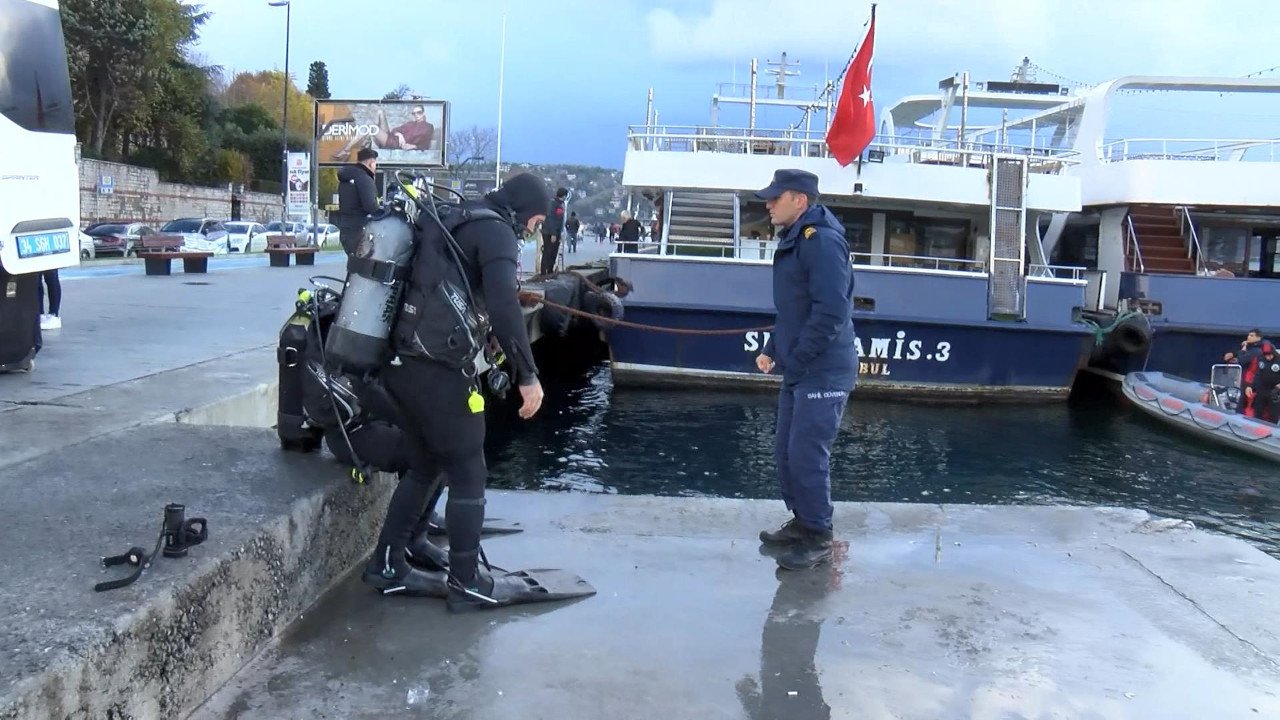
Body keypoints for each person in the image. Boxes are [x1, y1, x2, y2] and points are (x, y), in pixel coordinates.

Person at [362, 172, 550, 610]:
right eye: (536, 222)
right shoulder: (497, 232)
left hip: (400, 361)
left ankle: (392, 560)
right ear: (523, 210)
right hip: (437, 365)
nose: (533, 231)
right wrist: (527, 374)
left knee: (428, 462)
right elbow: (504, 304)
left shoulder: (458, 215)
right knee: (469, 469)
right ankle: (466, 583)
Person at [753, 169, 857, 571]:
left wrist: (796, 358)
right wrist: (773, 349)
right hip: (801, 367)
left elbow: (831, 312)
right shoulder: (798, 240)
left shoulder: (823, 243)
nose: (768, 204)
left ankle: (818, 536)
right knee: (785, 454)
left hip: (823, 369)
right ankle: (802, 521)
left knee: (807, 454)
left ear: (799, 200)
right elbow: (793, 310)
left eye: (775, 198)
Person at [329, 105, 435, 160]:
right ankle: (368, 137)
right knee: (380, 112)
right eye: (414, 113)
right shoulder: (410, 123)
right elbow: (395, 130)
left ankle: (346, 150)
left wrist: (413, 146)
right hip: (391, 138)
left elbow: (425, 144)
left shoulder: (428, 127)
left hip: (393, 144)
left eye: (419, 112)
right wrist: (400, 134)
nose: (416, 115)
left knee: (370, 127)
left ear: (423, 113)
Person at [335, 148, 379, 254]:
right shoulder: (364, 179)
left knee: (354, 261)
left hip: (346, 226)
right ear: (370, 163)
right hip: (360, 228)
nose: (376, 168)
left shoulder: (346, 178)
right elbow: (370, 206)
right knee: (364, 264)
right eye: (375, 164)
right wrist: (381, 211)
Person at [1246, 341, 1280, 424]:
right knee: (1258, 412)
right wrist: (1250, 386)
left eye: (1270, 355)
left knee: (1274, 414)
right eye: (1266, 355)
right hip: (1261, 389)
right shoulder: (1260, 358)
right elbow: (1257, 374)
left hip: (1275, 390)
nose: (1268, 357)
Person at [540, 187, 567, 275]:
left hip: (557, 232)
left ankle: (550, 270)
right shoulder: (553, 204)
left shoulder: (561, 204)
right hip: (549, 232)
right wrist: (553, 234)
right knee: (548, 251)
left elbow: (560, 220)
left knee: (554, 252)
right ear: (563, 195)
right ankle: (544, 272)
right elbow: (551, 219)